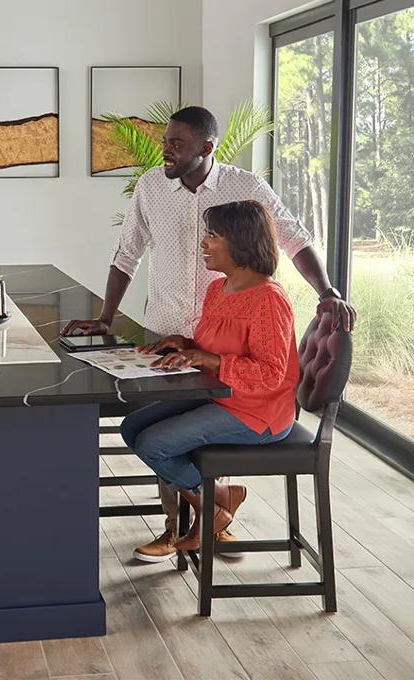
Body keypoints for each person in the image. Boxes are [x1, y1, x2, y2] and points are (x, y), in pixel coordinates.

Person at [62, 106, 355, 563]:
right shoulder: (151, 187)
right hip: (179, 332)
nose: (165, 151)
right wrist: (106, 316)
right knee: (149, 426)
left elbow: (294, 238)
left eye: (176, 144)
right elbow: (127, 255)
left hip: (228, 354)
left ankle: (209, 518)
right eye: (165, 142)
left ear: (207, 147)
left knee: (172, 436)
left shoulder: (247, 192)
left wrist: (327, 290)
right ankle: (187, 518)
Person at [121, 200, 298, 550]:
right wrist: (183, 344)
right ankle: (221, 494)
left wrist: (209, 360)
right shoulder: (217, 289)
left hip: (257, 412)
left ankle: (210, 511)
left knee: (153, 444)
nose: (203, 243)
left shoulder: (268, 300)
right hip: (218, 396)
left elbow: (271, 374)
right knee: (131, 428)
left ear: (241, 240)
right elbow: (214, 347)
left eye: (212, 235)